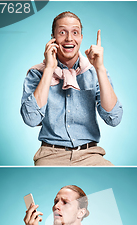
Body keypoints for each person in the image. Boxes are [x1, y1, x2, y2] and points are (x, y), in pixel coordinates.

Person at [21, 11, 122, 166]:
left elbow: (114, 118)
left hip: (90, 155)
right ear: (52, 38)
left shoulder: (94, 72)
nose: (69, 38)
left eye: (75, 32)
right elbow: (31, 119)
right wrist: (49, 69)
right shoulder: (37, 73)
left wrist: (100, 69)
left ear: (81, 38)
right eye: (62, 32)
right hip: (50, 155)